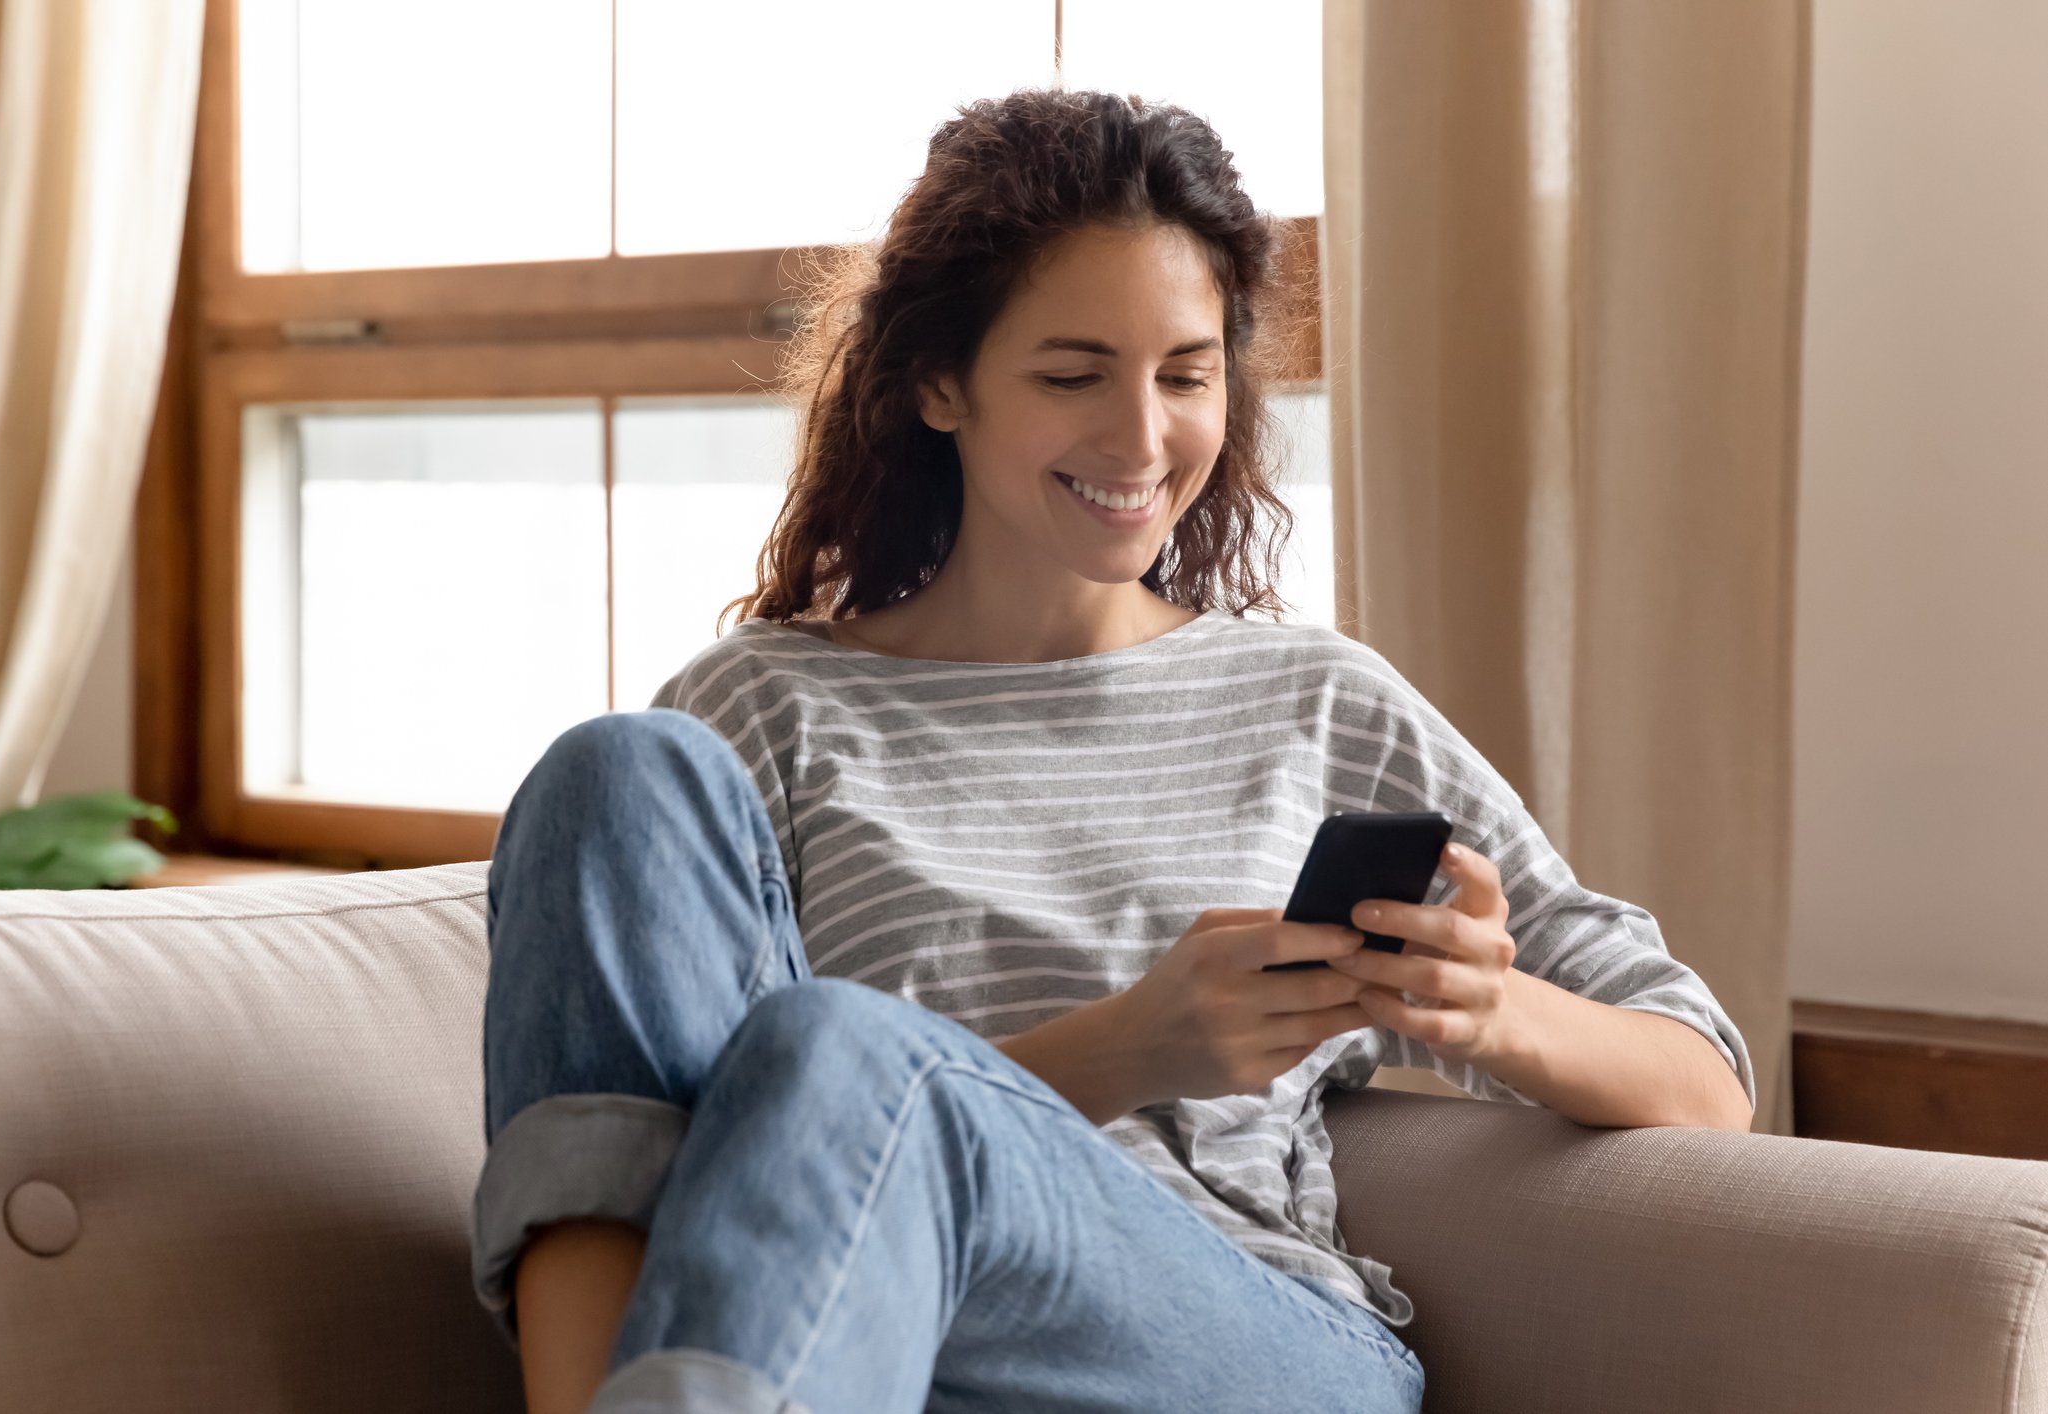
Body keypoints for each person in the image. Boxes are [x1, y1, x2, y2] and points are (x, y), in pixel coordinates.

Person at [470, 88, 1757, 1414]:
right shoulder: (758, 713)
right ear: (936, 383)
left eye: (1185, 375)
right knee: (612, 776)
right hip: (847, 1353)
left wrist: (1483, 1008)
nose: (1141, 438)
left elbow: (1702, 1078)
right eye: (1072, 374)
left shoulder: (1310, 697)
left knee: (845, 1051)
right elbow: (705, 1155)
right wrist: (1130, 1045)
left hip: (1243, 1346)